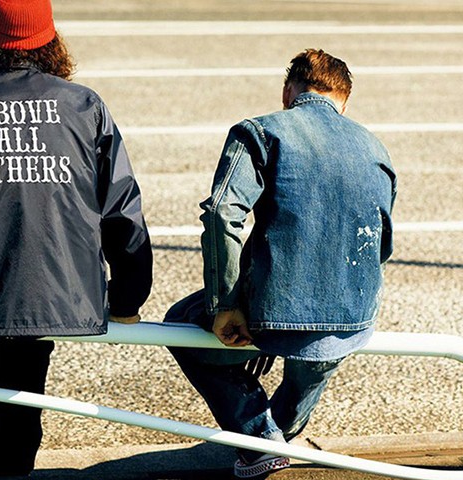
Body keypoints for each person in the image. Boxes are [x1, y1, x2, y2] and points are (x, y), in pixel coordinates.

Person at [0, 0, 153, 478]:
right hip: (58, 283)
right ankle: (12, 462)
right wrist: (127, 296)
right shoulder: (86, 106)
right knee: (26, 336)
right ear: (50, 42)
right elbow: (122, 210)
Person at [166, 49, 397, 479]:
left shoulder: (260, 131)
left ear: (288, 91)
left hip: (276, 306)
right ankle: (279, 435)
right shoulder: (375, 145)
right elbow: (382, 239)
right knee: (315, 358)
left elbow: (222, 213)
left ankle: (261, 438)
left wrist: (227, 303)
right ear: (344, 101)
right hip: (353, 315)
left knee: (180, 322)